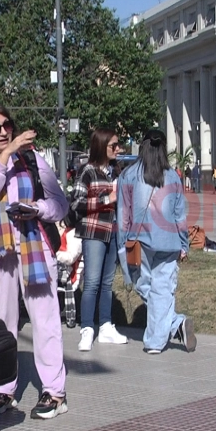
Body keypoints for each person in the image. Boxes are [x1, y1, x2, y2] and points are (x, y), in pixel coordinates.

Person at [0, 104, 69, 420]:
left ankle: (54, 392)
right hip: (1, 256)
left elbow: (60, 205)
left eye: (6, 125)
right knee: (4, 325)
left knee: (46, 322)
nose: (2, 132)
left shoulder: (33, 161)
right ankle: (4, 388)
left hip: (36, 250)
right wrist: (7, 152)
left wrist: (37, 208)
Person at [116, 129, 196, 354]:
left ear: (142, 146)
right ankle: (174, 324)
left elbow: (123, 214)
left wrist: (122, 244)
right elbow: (180, 214)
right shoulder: (173, 177)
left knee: (145, 286)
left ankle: (156, 340)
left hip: (138, 242)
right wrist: (184, 243)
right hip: (169, 241)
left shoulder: (129, 175)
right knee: (162, 289)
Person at [70, 129, 128, 352]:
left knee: (107, 283)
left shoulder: (115, 172)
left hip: (113, 231)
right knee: (92, 282)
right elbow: (76, 203)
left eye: (118, 145)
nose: (117, 149)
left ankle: (105, 326)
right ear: (101, 146)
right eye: (113, 145)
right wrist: (107, 199)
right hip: (93, 232)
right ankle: (87, 328)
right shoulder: (87, 171)